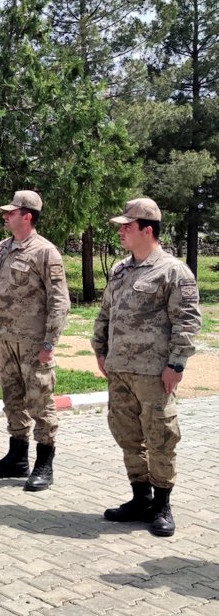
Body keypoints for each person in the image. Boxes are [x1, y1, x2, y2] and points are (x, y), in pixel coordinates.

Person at [93, 198, 202, 537]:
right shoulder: (121, 269)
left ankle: (162, 504)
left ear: (148, 229)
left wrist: (176, 364)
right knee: (128, 437)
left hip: (155, 373)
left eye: (128, 225)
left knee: (161, 438)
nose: (121, 231)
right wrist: (100, 348)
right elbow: (106, 313)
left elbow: (187, 321)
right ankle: (140, 498)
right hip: (120, 370)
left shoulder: (172, 271)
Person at [0, 190, 70, 491]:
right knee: (12, 399)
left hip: (33, 343)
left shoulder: (46, 252)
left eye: (11, 212)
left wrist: (49, 344)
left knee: (40, 401)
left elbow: (60, 302)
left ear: (27, 216)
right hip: (5, 340)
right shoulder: (2, 248)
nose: (5, 216)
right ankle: (17, 457)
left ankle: (44, 463)